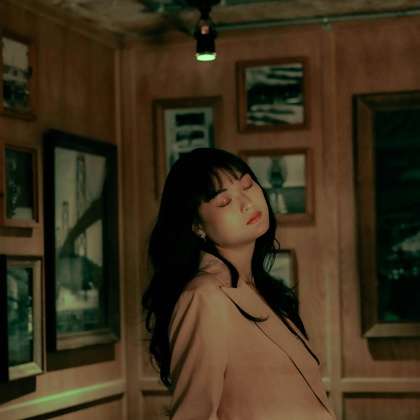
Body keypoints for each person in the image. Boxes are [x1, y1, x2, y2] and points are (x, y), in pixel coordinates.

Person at [142, 148, 336, 420]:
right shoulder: (204, 297)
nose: (247, 203)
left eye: (247, 185)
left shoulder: (263, 290)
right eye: (224, 201)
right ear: (197, 226)